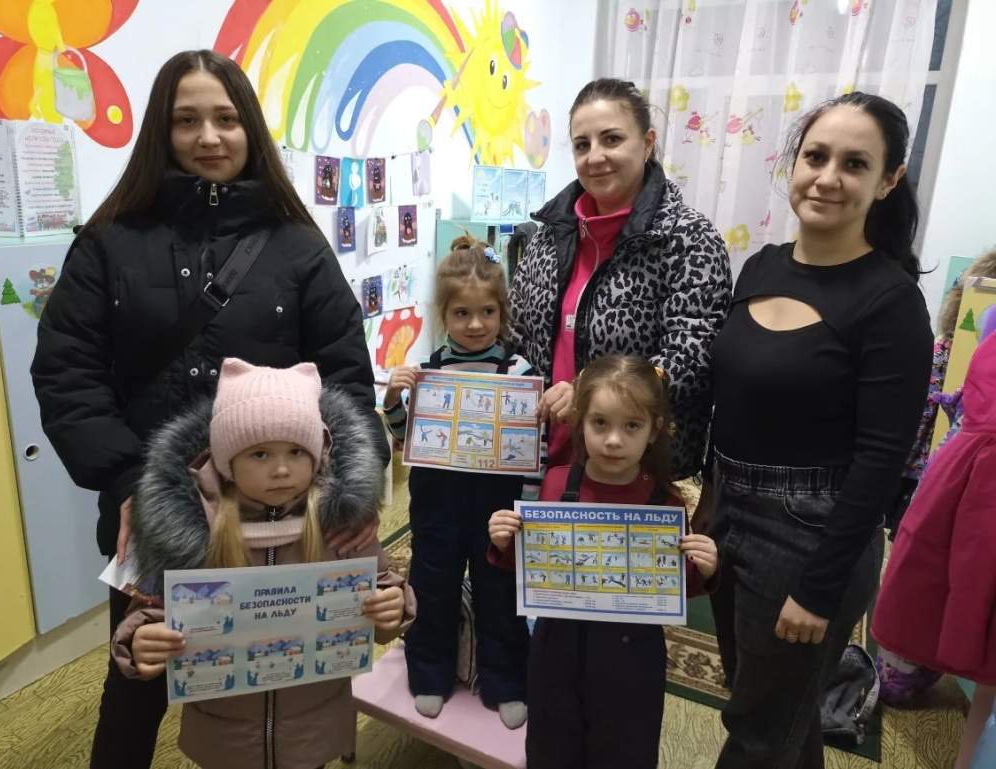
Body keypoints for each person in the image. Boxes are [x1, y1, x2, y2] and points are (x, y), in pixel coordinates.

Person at [30, 49, 386, 769]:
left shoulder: (298, 247)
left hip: (280, 507)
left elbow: (346, 377)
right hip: (155, 512)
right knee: (136, 677)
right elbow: (68, 375)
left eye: (226, 118)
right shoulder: (108, 243)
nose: (208, 137)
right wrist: (129, 482)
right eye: (186, 120)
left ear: (249, 127)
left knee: (283, 676)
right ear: (162, 132)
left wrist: (352, 492)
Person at [708, 92, 933, 768]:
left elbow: (882, 460)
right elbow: (733, 400)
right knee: (779, 713)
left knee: (756, 731)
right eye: (816, 156)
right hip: (729, 513)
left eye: (854, 163)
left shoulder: (891, 302)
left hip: (808, 538)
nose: (827, 177)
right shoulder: (762, 265)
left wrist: (820, 586)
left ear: (888, 181)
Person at [111, 358, 415, 769]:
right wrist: (141, 641)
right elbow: (147, 611)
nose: (282, 469)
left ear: (319, 451)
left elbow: (382, 598)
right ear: (226, 460)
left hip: (314, 729)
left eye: (297, 451)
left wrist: (391, 608)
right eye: (259, 453)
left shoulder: (342, 527)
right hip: (224, 737)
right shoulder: (186, 529)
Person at [488, 355, 718, 768]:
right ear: (579, 423)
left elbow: (672, 588)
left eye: (631, 426)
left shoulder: (666, 504)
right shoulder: (556, 483)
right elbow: (534, 569)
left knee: (625, 751)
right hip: (556, 649)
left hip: (631, 661)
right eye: (600, 423)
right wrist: (506, 542)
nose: (613, 440)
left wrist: (704, 567)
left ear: (654, 431)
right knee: (551, 748)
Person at [509, 77, 731, 481]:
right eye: (582, 145)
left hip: (637, 473)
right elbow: (516, 334)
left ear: (647, 143)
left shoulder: (688, 238)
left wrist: (591, 392)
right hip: (546, 463)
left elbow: (692, 357)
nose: (595, 157)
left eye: (612, 139)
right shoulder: (548, 235)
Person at [383, 236, 535, 728]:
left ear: (502, 312)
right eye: (461, 313)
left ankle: (505, 680)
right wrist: (393, 402)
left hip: (498, 506)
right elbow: (405, 441)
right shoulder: (428, 371)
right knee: (432, 587)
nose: (475, 324)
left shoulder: (519, 371)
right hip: (437, 505)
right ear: (443, 315)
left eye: (487, 312)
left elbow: (535, 443)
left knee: (501, 591)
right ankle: (429, 673)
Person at [875, 247, 996, 705]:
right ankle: (907, 667)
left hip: (955, 469)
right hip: (946, 469)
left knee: (947, 575)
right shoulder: (964, 333)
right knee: (925, 569)